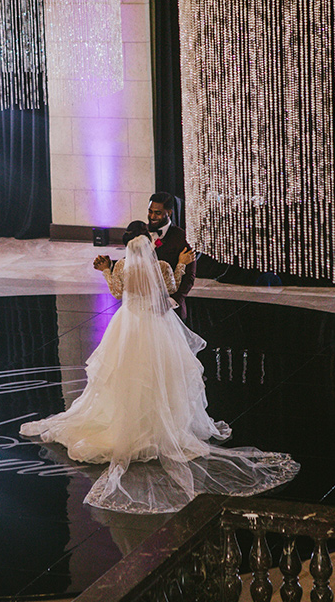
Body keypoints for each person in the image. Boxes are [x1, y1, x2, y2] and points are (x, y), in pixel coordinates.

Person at [20, 221, 299, 514]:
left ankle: (130, 427)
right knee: (163, 376)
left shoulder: (122, 267)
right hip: (157, 328)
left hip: (128, 329)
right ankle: (162, 427)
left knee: (126, 377)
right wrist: (181, 264)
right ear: (148, 241)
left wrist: (104, 270)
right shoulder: (161, 267)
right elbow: (170, 288)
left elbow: (116, 293)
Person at [147, 192, 195, 319]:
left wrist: (171, 302)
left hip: (171, 310)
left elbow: (189, 276)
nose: (152, 216)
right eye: (150, 211)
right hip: (144, 307)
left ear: (168, 213)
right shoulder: (142, 233)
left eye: (157, 212)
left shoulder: (182, 238)